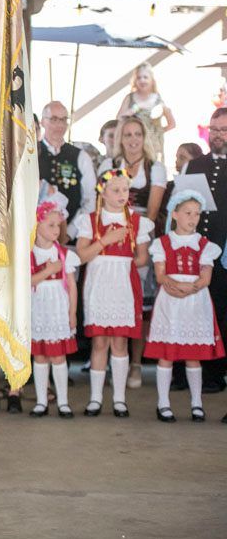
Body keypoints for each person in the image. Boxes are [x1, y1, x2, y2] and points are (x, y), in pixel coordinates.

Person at [74, 168, 154, 418]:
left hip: (123, 283)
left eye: (125, 190)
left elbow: (142, 259)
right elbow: (81, 256)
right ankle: (95, 398)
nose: (122, 195)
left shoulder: (137, 221)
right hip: (98, 282)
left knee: (120, 341)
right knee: (99, 342)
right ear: (103, 192)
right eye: (116, 190)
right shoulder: (90, 220)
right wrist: (106, 241)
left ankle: (119, 399)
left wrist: (123, 259)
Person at [99, 115, 168, 388]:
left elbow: (151, 211)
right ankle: (109, 361)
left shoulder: (155, 168)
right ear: (120, 139)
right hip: (110, 235)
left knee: (137, 303)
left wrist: (132, 235)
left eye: (137, 134)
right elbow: (99, 204)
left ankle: (135, 364)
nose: (132, 140)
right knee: (109, 300)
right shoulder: (109, 165)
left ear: (144, 137)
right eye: (127, 135)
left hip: (140, 235)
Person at [147, 192, 224, 422]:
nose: (193, 218)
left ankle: (196, 403)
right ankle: (163, 403)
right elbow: (160, 275)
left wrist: (189, 288)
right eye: (188, 213)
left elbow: (206, 277)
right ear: (175, 214)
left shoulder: (205, 245)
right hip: (169, 303)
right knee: (166, 353)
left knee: (193, 355)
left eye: (197, 214)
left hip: (194, 301)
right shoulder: (162, 243)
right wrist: (175, 285)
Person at [180, 108, 227, 393]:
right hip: (197, 251)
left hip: (225, 254)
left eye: (223, 129)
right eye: (214, 128)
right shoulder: (195, 165)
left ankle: (217, 372)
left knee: (222, 313)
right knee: (196, 311)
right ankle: (196, 372)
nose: (218, 134)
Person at [29, 201, 79, 418]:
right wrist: (48, 271)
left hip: (58, 310)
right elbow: (26, 281)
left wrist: (72, 313)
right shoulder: (28, 254)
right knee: (39, 356)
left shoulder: (65, 255)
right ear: (37, 224)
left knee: (58, 356)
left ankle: (63, 402)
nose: (56, 230)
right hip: (37, 310)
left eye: (58, 226)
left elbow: (72, 286)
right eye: (51, 225)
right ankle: (41, 401)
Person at [39, 101, 97, 239]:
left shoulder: (80, 156)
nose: (59, 125)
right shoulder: (30, 154)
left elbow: (90, 199)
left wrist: (70, 233)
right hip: (34, 237)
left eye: (64, 120)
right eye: (53, 119)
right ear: (42, 122)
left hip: (71, 238)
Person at [117, 63, 175, 162]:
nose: (142, 80)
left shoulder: (157, 99)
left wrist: (157, 132)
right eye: (139, 78)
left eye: (145, 77)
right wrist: (136, 108)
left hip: (154, 146)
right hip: (135, 144)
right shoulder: (130, 98)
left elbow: (172, 124)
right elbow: (119, 118)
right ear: (135, 80)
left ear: (152, 80)